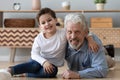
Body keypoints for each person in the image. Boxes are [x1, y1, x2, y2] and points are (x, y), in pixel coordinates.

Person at [0, 8, 99, 78]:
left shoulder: (63, 33)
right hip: (38, 61)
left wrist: (90, 39)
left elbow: (79, 31)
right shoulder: (39, 39)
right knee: (35, 66)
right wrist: (44, 62)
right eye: (43, 23)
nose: (47, 24)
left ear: (55, 20)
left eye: (49, 20)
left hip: (52, 65)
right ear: (40, 27)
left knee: (51, 73)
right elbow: (34, 54)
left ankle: (25, 74)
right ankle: (10, 70)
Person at [62, 13, 109, 79]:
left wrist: (78, 74)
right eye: (69, 32)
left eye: (77, 32)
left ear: (85, 32)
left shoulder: (94, 43)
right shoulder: (62, 40)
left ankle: (106, 52)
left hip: (98, 59)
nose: (73, 37)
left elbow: (102, 70)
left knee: (108, 61)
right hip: (85, 67)